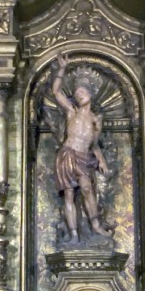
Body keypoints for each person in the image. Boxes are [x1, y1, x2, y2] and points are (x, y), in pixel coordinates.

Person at [52, 52, 111, 242]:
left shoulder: (95, 120)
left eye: (82, 92)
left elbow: (94, 144)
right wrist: (61, 69)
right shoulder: (72, 112)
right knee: (69, 194)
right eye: (76, 94)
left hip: (83, 157)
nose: (78, 96)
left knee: (86, 188)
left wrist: (101, 159)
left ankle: (96, 226)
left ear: (90, 94)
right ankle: (73, 234)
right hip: (68, 154)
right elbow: (56, 92)